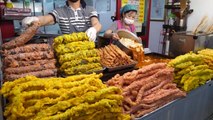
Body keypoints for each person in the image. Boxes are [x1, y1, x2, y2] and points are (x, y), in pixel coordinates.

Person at [22, 0, 102, 41]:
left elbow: (97, 23)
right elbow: (47, 19)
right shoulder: (59, 11)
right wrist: (35, 19)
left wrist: (94, 29)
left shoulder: (90, 9)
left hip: (89, 51)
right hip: (68, 53)